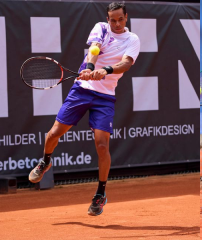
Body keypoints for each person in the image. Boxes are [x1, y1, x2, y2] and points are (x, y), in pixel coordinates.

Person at [28, 2, 140, 216]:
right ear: (108, 19)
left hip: (105, 97)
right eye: (112, 19)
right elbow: (94, 48)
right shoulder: (101, 27)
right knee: (54, 133)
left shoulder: (132, 39)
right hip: (82, 90)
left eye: (120, 19)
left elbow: (126, 64)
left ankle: (100, 193)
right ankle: (45, 161)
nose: (116, 23)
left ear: (126, 17)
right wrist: (90, 68)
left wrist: (105, 70)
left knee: (101, 145)